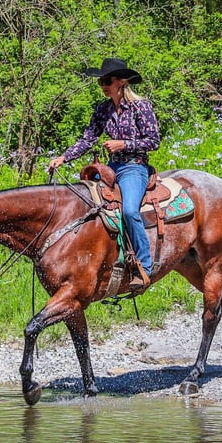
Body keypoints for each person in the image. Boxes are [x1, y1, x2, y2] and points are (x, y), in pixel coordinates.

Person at [49, 57, 160, 292]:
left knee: (130, 211)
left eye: (107, 80)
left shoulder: (142, 107)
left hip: (134, 167)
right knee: (85, 209)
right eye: (100, 81)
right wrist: (64, 157)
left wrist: (124, 144)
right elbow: (88, 138)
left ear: (121, 81)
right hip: (109, 169)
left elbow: (153, 141)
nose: (103, 85)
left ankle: (144, 266)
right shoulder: (103, 109)